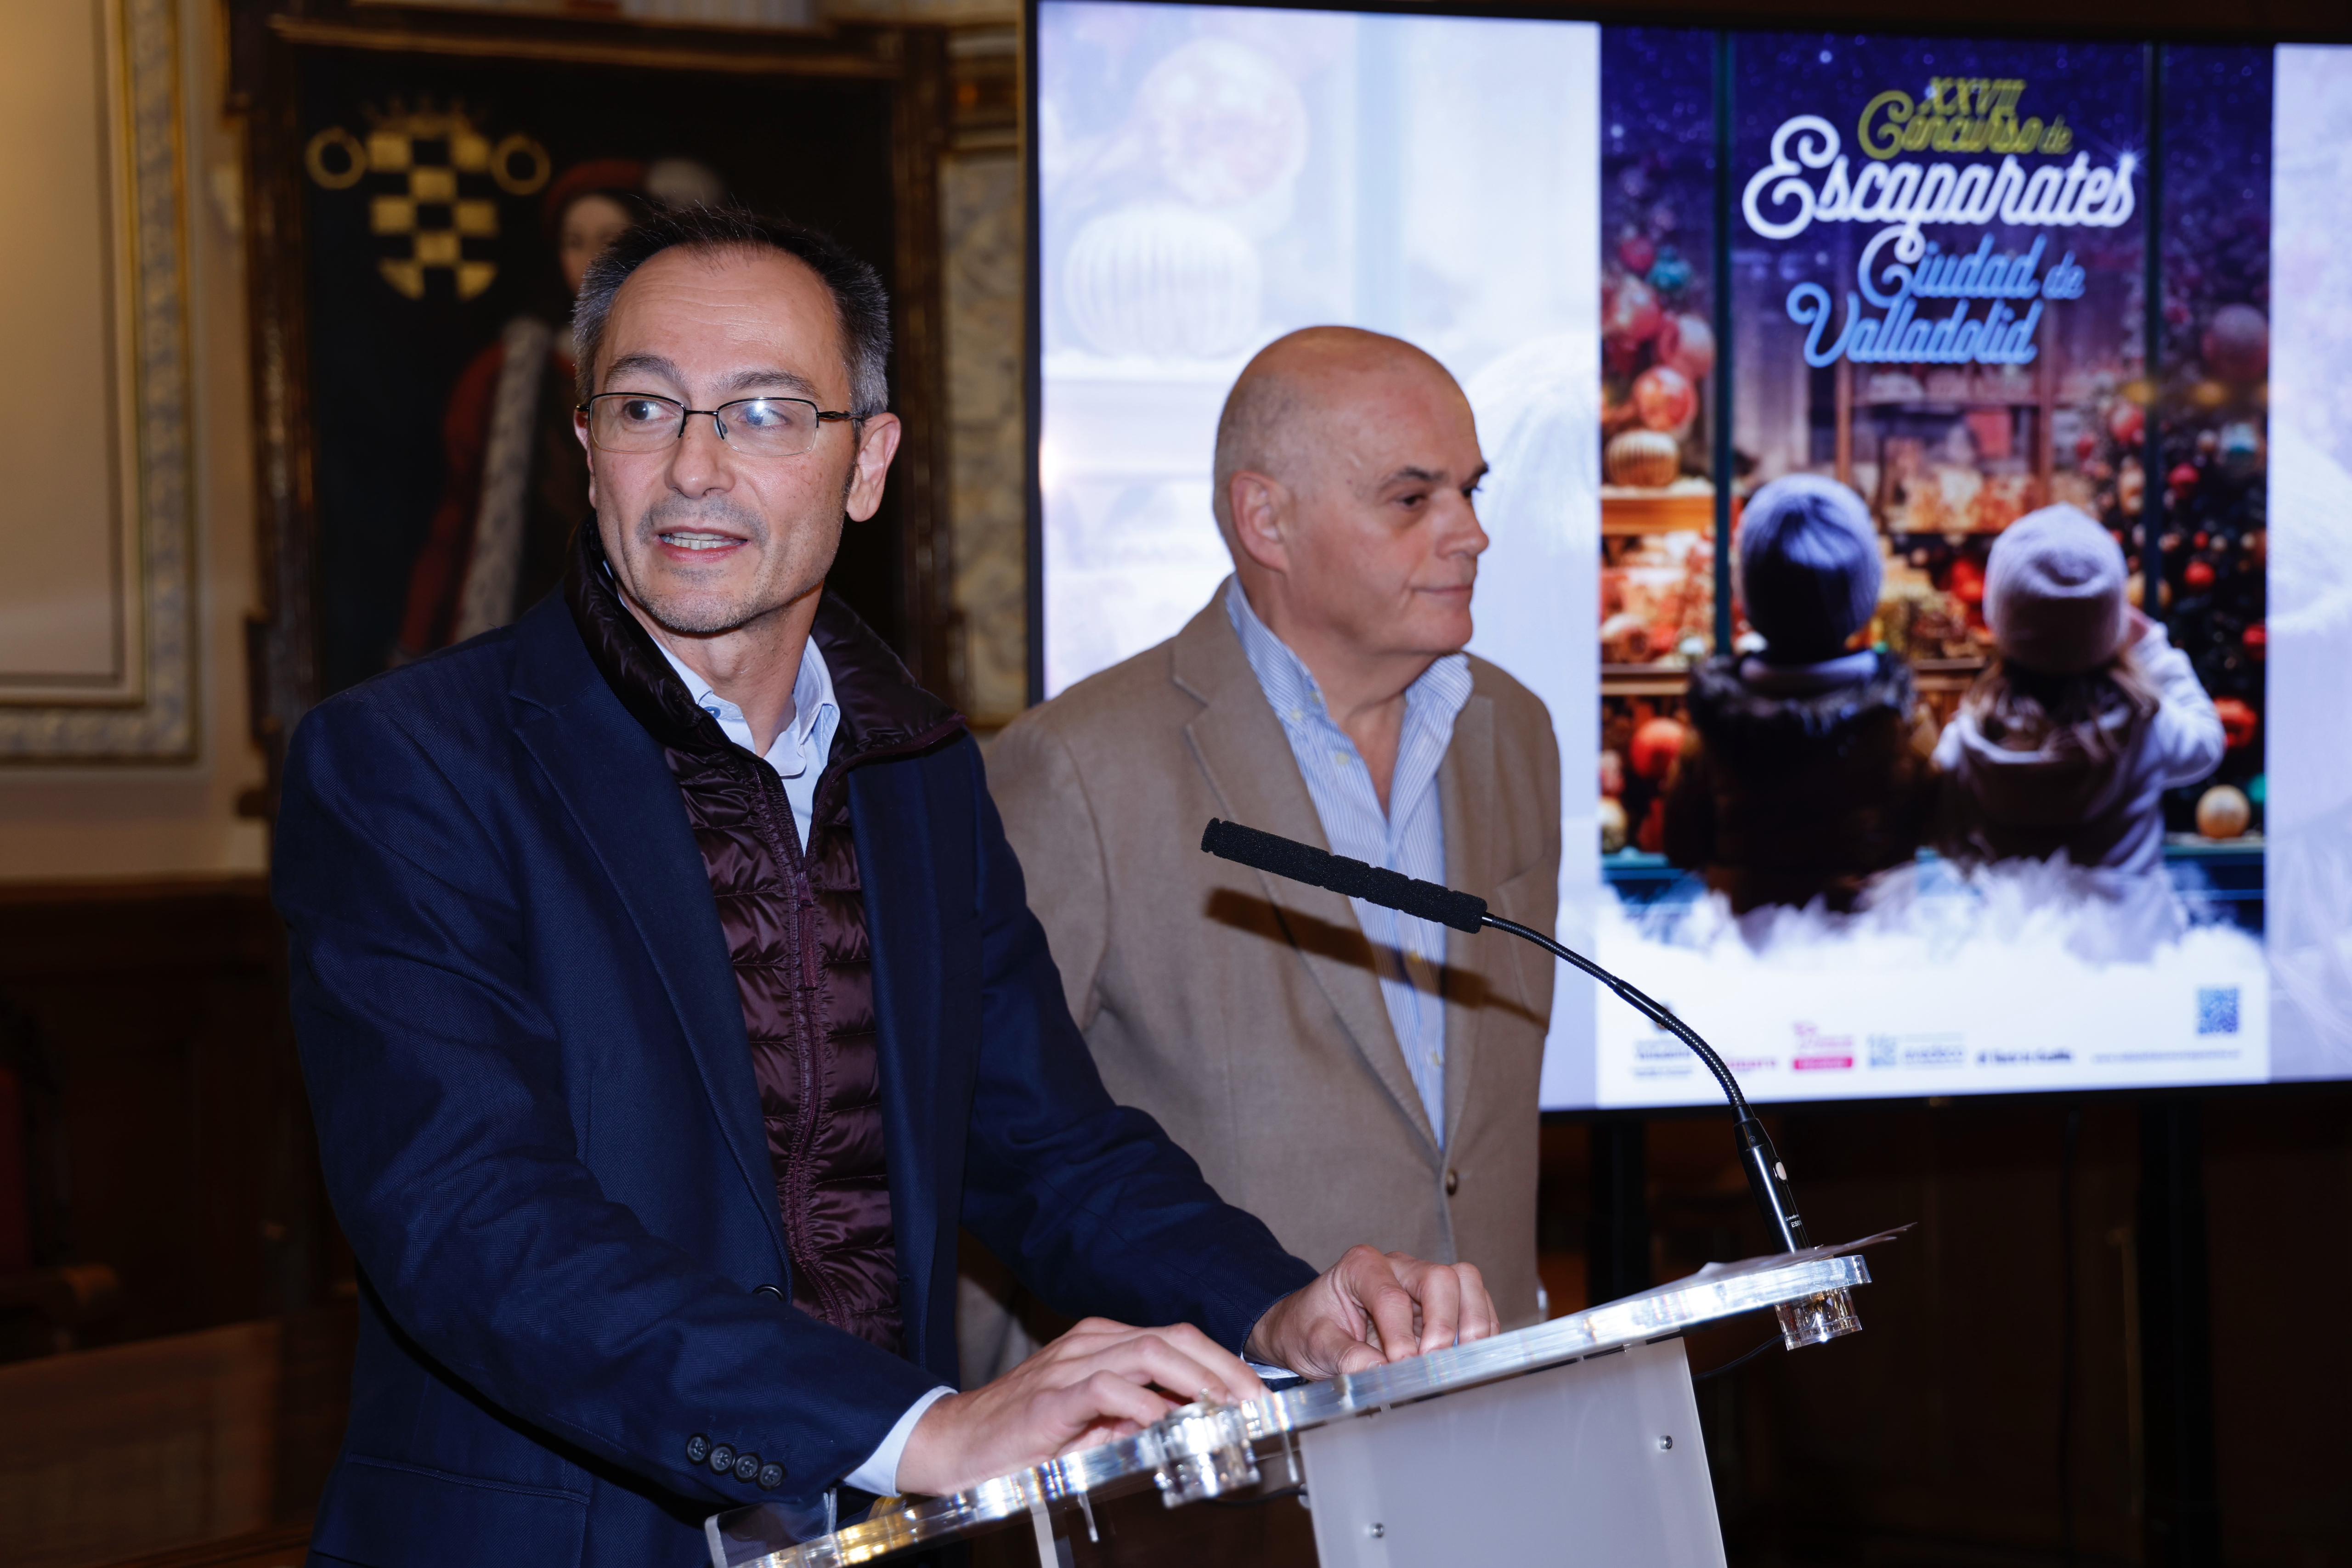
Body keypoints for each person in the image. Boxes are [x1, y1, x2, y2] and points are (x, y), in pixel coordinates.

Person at [272, 210, 1494, 1568]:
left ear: (866, 465)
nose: (692, 467)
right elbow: (470, 1223)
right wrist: (917, 1429)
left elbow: (1042, 1145)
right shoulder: (410, 763)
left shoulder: (918, 769)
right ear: (585, 443)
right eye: (643, 408)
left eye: (764, 413)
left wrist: (1275, 1308)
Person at [989, 327, 1561, 1329]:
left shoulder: (1512, 731)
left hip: (1491, 1384)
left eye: (1472, 490)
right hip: (1229, 1403)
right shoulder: (1078, 767)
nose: (1471, 532)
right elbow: (1002, 1151)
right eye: (1413, 498)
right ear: (1267, 519)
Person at [396, 158, 718, 659]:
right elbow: (457, 518)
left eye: (609, 238)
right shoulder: (507, 373)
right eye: (574, 241)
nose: (589, 259)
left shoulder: (704, 360)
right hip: (540, 620)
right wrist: (418, 640)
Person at [1661, 474, 1934, 914]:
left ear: (1749, 595)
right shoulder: (1903, 726)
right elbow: (1932, 832)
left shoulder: (1714, 729)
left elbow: (1681, 845)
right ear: (1862, 597)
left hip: (1746, 943)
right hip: (1869, 945)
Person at [1935, 503, 2225, 879]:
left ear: (1999, 619)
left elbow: (1947, 832)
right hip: (2133, 917)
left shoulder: (1970, 741)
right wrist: (2152, 646)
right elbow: (2207, 743)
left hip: (2017, 917)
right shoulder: (2144, 726)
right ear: (2113, 621)